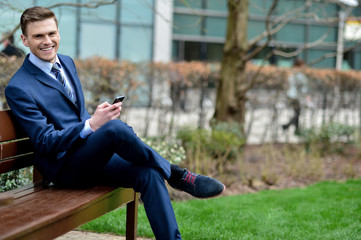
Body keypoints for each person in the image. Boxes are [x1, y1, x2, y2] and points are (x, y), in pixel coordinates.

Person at [5, 6, 225, 240]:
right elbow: (45, 141)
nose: (47, 41)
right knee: (115, 128)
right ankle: (176, 174)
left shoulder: (66, 62)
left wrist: (95, 119)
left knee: (149, 173)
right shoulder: (19, 87)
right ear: (24, 40)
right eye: (38, 36)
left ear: (59, 33)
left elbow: (75, 115)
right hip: (64, 170)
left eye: (52, 33)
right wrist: (92, 124)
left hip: (90, 155)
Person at [281, 58, 310, 135]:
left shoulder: (291, 73)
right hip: (295, 96)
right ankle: (287, 126)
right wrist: (306, 95)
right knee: (297, 113)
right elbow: (303, 87)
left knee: (297, 113)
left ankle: (296, 130)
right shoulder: (300, 75)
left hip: (290, 95)